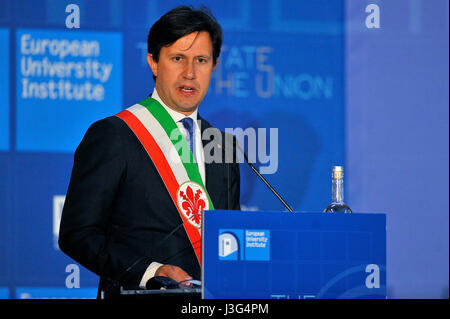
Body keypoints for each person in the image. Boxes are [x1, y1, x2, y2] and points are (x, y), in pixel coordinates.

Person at [58, 5, 240, 298]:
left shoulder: (222, 146)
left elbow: (231, 240)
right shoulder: (114, 135)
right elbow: (77, 235)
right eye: (177, 58)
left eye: (201, 60)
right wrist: (152, 272)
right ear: (154, 62)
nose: (190, 73)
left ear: (214, 67)